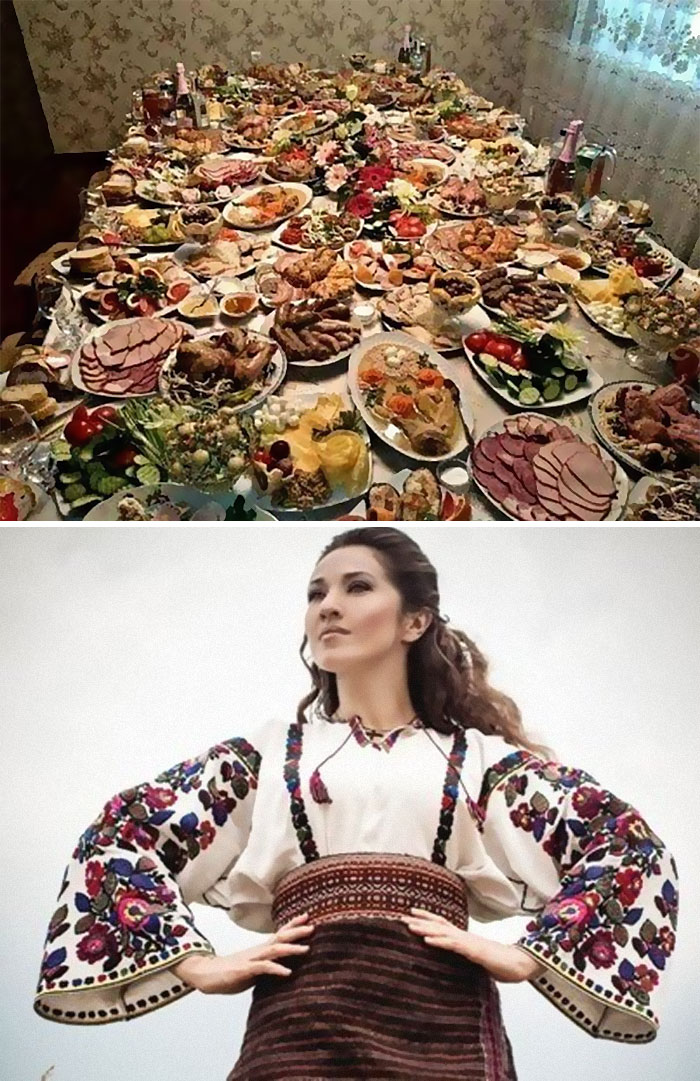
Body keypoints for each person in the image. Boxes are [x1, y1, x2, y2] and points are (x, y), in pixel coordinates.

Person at [35, 527, 678, 1080]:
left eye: (357, 587)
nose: (328, 607)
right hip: (295, 1026)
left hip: (441, 1026)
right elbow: (123, 832)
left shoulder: (479, 762)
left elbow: (627, 846)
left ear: (415, 620)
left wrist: (529, 954)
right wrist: (197, 964)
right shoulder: (268, 754)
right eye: (316, 593)